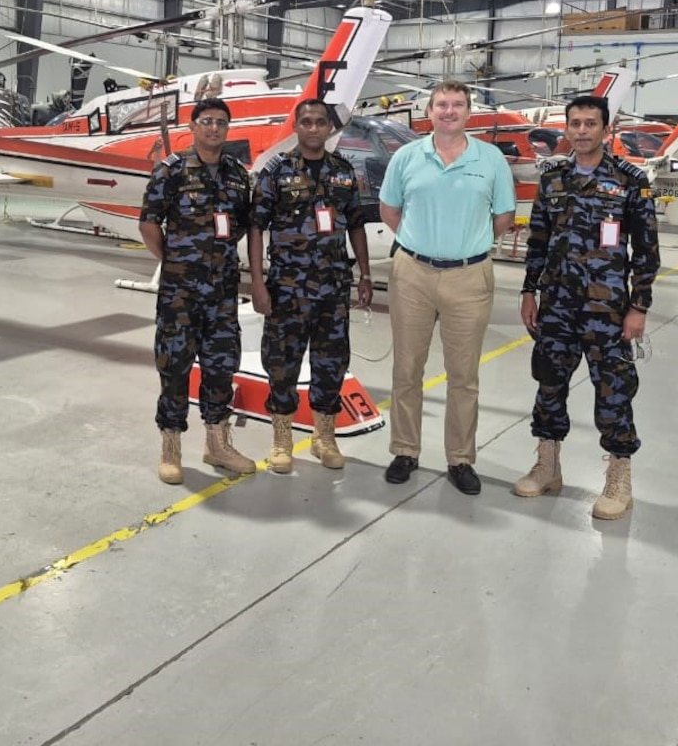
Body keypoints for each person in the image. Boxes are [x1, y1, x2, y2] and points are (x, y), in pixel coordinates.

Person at [514, 93, 660, 521]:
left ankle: (619, 479)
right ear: (566, 128)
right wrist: (529, 292)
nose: (581, 131)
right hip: (557, 304)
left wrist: (639, 307)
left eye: (589, 124)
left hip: (608, 309)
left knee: (613, 391)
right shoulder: (553, 179)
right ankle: (547, 465)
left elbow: (646, 252)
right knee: (549, 384)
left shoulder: (631, 181)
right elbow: (538, 241)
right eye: (574, 123)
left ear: (605, 129)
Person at [379, 80, 517, 495]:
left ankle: (460, 459)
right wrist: (422, 241)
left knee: (463, 376)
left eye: (458, 104)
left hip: (469, 275)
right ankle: (405, 450)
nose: (449, 111)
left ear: (469, 112)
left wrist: (464, 242)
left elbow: (504, 216)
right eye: (442, 104)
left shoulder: (490, 159)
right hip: (412, 275)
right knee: (407, 369)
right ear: (430, 111)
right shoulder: (406, 157)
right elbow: (389, 209)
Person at [248, 99, 373, 474]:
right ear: (297, 126)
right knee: (282, 364)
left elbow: (355, 224)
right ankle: (282, 439)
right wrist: (257, 282)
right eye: (307, 122)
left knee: (331, 363)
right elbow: (256, 227)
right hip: (287, 288)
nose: (314, 128)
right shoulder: (277, 171)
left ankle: (324, 437)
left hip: (332, 289)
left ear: (328, 128)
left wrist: (365, 274)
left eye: (320, 122)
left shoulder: (343, 171)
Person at [139, 97, 256, 484]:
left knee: (221, 367)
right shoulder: (171, 171)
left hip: (221, 292)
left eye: (221, 122)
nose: (214, 128)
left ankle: (217, 444)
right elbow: (149, 224)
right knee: (174, 367)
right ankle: (170, 446)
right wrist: (175, 261)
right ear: (192, 126)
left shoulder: (238, 175)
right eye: (206, 121)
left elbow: (241, 226)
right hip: (180, 293)